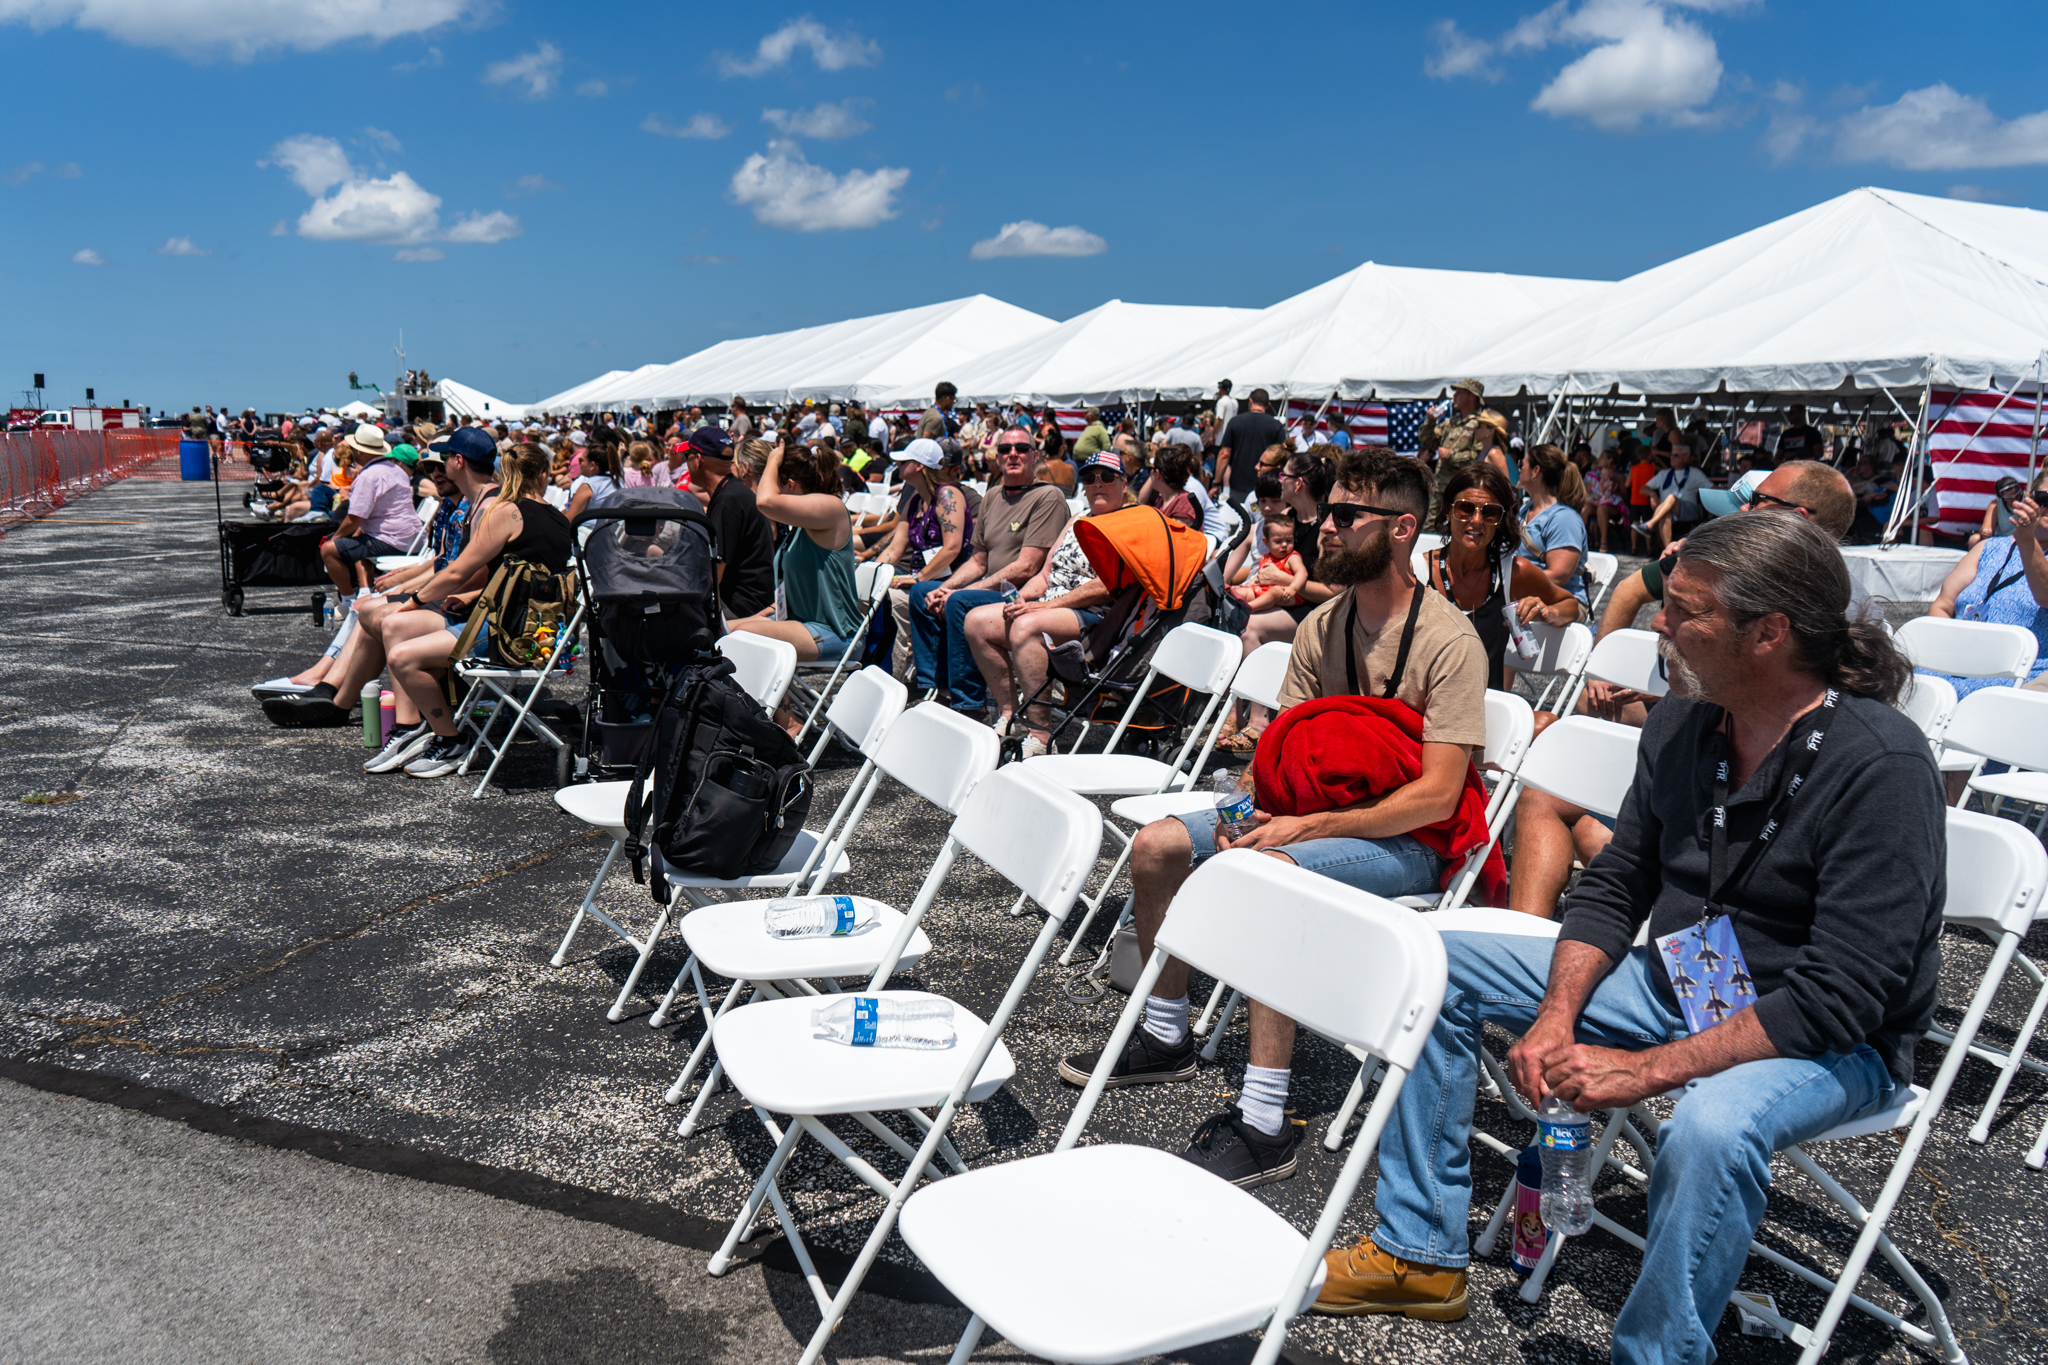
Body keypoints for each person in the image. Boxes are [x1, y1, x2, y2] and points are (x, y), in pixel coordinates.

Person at [1315, 512, 1939, 1360]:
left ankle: (1655, 1352)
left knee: (1710, 1126)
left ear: (1769, 633)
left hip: (1831, 1037)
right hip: (1688, 979)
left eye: (1686, 611)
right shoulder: (1688, 721)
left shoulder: (1881, 762)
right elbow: (1617, 882)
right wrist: (1557, 1013)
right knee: (1436, 961)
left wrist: (1646, 1070)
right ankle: (1420, 1252)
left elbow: (1845, 992)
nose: (1658, 625)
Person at [1057, 447, 1488, 1185]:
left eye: (1347, 515)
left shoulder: (1449, 640)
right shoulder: (1323, 626)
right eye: (1329, 512)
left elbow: (1439, 797)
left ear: (1401, 529)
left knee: (1264, 873)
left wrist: (1296, 829)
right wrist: (1242, 809)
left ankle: (1265, 1123)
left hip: (1408, 838)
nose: (1325, 527)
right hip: (1315, 814)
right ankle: (1166, 1034)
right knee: (1160, 843)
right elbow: (1281, 749)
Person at [1511, 461, 1866, 917]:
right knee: (1549, 790)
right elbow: (1631, 598)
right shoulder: (1725, 567)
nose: (1660, 623)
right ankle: (1535, 931)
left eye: (1755, 501)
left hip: (1738, 809)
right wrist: (1611, 678)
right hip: (1701, 755)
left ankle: (1640, 893)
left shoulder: (1826, 615)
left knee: (1595, 835)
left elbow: (1769, 718)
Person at [368, 441, 574, 779]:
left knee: (403, 657)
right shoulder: (558, 518)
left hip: (507, 632)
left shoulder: (506, 512)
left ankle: (449, 738)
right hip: (545, 633)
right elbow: (528, 578)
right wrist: (473, 595)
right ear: (543, 474)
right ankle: (412, 727)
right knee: (399, 628)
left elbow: (455, 572)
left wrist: (414, 600)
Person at [961, 450, 1130, 756]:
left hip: (1096, 618)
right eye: (1090, 478)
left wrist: (1041, 608)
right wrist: (1022, 598)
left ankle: (1041, 736)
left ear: (1123, 484)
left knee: (1026, 626)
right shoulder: (1078, 518)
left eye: (1107, 477)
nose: (1098, 484)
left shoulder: (1128, 523)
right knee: (977, 621)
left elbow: (1106, 587)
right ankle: (1011, 715)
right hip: (1052, 608)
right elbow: (1046, 573)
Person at [907, 427, 1070, 718]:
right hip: (989, 587)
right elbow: (978, 560)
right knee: (923, 591)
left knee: (958, 602)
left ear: (1034, 455)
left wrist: (958, 592)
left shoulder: (1048, 496)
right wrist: (946, 587)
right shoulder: (993, 495)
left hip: (1022, 593)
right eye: (1006, 449)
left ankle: (968, 704)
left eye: (1021, 448)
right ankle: (938, 688)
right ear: (996, 457)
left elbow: (1027, 567)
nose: (1013, 454)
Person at [727, 438, 866, 728]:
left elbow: (764, 501)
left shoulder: (830, 507)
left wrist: (775, 459)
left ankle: (787, 722)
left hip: (836, 634)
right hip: (806, 626)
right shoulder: (801, 525)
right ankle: (773, 720)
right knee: (730, 630)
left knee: (737, 638)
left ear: (789, 484)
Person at [1216, 447, 1340, 753]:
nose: (1278, 480)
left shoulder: (1327, 526)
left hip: (1316, 611)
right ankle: (1238, 710)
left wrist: (1287, 582)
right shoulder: (1286, 519)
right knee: (1235, 616)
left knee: (1251, 628)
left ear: (1297, 484)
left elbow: (1333, 592)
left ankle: (1258, 719)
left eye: (1283, 475)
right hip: (1282, 602)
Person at [1423, 462, 1583, 691]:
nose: (1477, 520)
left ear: (1501, 520)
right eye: (1465, 508)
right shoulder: (1416, 572)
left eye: (1490, 512)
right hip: (1424, 710)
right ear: (1448, 511)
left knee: (1549, 722)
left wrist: (1546, 611)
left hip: (1487, 712)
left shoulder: (1514, 572)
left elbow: (1570, 604)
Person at [1924, 473, 2048, 701]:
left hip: (2017, 676)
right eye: (2044, 499)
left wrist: (2026, 539)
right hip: (1953, 661)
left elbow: (2045, 596)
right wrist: (1939, 652)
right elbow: (1943, 605)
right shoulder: (1989, 547)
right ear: (2029, 499)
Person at [870, 437, 974, 683]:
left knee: (892, 600)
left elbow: (952, 548)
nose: (896, 463)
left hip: (948, 581)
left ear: (919, 466)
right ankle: (877, 669)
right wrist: (871, 573)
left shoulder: (948, 495)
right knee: (874, 593)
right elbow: (895, 548)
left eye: (903, 460)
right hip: (920, 581)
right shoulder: (914, 501)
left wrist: (918, 577)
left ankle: (889, 679)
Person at [684, 426, 776, 621]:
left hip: (741, 607)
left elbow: (712, 577)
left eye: (687, 456)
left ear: (698, 461)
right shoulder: (731, 492)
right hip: (751, 600)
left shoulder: (728, 501)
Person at [319, 425, 421, 597]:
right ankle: (364, 591)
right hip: (411, 538)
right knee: (359, 537)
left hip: (392, 540)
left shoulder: (368, 476)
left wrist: (335, 538)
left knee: (328, 549)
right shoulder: (396, 469)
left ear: (360, 452)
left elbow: (355, 518)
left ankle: (348, 600)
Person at [1517, 442, 1591, 606]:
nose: (1519, 469)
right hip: (1526, 597)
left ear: (1536, 471)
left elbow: (1559, 576)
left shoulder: (1563, 518)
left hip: (1560, 603)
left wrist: (1511, 584)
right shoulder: (1525, 510)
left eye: (1522, 464)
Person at [1213, 388, 1286, 503]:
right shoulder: (1276, 426)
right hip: (1266, 484)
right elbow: (1282, 456)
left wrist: (1216, 483)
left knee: (1240, 518)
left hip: (1238, 484)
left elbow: (1224, 454)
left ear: (1250, 401)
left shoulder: (1235, 422)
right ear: (1268, 405)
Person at [1636, 435, 1709, 549]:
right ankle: (1667, 552)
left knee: (1671, 497)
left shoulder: (1695, 473)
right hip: (1666, 509)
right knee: (1666, 513)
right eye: (1671, 455)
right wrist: (1652, 493)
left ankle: (1650, 524)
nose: (1671, 458)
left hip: (1688, 509)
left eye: (1675, 455)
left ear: (1686, 457)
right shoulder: (1664, 473)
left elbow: (1711, 487)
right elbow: (1643, 489)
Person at [1430, 379, 1489, 513]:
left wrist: (1450, 455)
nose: (1454, 396)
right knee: (1431, 527)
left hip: (1462, 487)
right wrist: (1430, 422)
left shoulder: (1481, 424)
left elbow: (1478, 456)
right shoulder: (1451, 421)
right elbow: (1429, 442)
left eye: (1459, 392)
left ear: (1472, 397)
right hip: (1441, 487)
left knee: (1458, 522)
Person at [1228, 515, 1306, 614]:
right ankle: (1228, 608)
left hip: (1286, 595)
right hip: (1263, 591)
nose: (1284, 545)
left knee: (1275, 591)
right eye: (1278, 541)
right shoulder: (1266, 557)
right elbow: (1260, 576)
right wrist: (1249, 585)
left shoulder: (1292, 557)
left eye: (1289, 540)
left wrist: (1293, 588)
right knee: (1237, 591)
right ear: (1267, 542)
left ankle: (1248, 609)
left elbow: (1302, 573)